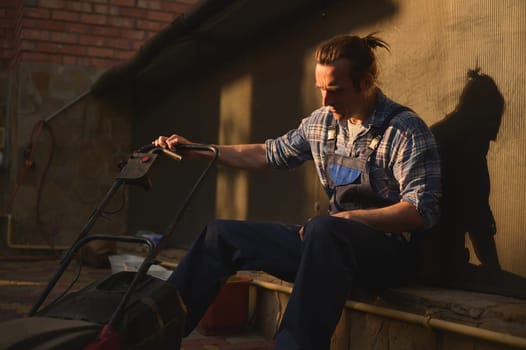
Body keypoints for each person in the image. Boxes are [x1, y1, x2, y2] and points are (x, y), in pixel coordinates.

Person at [154, 33, 441, 350]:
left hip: (388, 257)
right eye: (321, 89)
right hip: (328, 248)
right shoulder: (321, 123)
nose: (326, 101)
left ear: (367, 81)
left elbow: (419, 211)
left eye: (336, 91)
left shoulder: (405, 130)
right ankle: (152, 334)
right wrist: (199, 151)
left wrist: (350, 219)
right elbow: (268, 153)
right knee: (219, 235)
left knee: (324, 227)